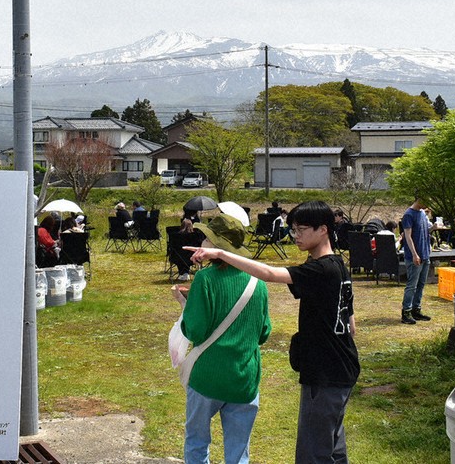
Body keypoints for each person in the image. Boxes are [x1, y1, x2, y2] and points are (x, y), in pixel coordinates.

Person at [184, 200, 359, 463]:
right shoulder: (338, 267)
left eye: (301, 229)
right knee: (333, 447)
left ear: (323, 229)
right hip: (342, 369)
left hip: (324, 373)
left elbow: (268, 273)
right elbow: (351, 325)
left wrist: (220, 254)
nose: (295, 236)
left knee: (314, 453)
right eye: (293, 230)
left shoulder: (322, 268)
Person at [171, 213, 271, 464]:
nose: (202, 241)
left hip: (208, 375)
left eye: (206, 237)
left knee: (196, 441)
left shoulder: (205, 279)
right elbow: (264, 332)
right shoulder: (258, 282)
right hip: (244, 376)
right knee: (238, 451)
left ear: (216, 247)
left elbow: (194, 330)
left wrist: (187, 305)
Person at [401, 197, 433, 324]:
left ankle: (416, 310)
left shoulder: (423, 214)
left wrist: (433, 228)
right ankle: (406, 312)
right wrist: (414, 254)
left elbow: (424, 232)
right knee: (411, 286)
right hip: (414, 256)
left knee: (421, 285)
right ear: (419, 198)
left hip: (425, 255)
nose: (427, 204)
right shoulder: (408, 215)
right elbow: (407, 237)